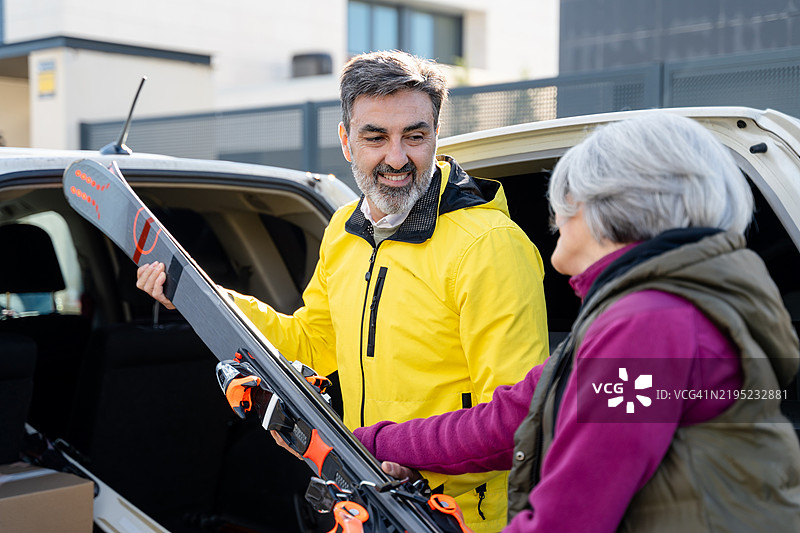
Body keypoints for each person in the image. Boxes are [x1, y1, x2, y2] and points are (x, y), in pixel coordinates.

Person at [136, 50, 549, 532]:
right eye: (375, 137)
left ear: (436, 134)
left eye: (414, 136)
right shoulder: (344, 231)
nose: (396, 158)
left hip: (463, 517)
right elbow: (311, 343)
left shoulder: (488, 247)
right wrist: (205, 300)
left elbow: (515, 424)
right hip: (370, 500)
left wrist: (395, 451)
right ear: (346, 141)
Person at [353, 112, 800, 532]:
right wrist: (371, 443)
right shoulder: (652, 310)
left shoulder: (651, 325)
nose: (556, 215)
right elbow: (505, 422)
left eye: (569, 198)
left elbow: (569, 517)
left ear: (618, 207)